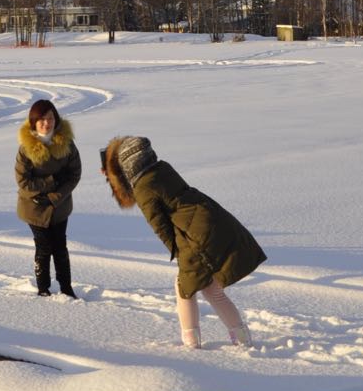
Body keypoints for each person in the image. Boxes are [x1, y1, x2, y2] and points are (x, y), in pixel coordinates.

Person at [101, 135, 265, 348]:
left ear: (129, 166)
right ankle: (240, 337)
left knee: (185, 288)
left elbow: (160, 226)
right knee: (209, 288)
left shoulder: (142, 188)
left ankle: (192, 343)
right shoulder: (162, 168)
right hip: (213, 219)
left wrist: (177, 252)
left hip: (194, 234)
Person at [15, 98, 81, 298]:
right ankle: (43, 288)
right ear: (34, 121)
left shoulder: (66, 143)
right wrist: (51, 181)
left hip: (59, 206)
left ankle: (66, 288)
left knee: (60, 248)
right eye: (42, 119)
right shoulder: (26, 148)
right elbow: (23, 182)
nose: (47, 123)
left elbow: (74, 175)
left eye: (50, 118)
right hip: (34, 207)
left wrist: (55, 197)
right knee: (43, 248)